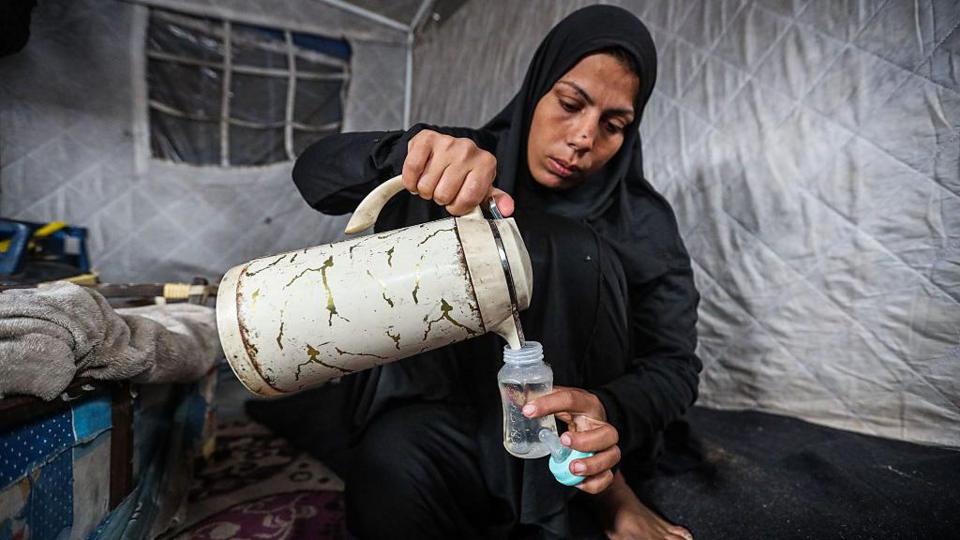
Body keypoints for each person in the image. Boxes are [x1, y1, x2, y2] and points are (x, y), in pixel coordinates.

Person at [291, 6, 700, 539]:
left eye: (613, 124)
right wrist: (406, 152)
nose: (583, 137)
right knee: (390, 467)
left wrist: (606, 406)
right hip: (458, 415)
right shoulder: (465, 164)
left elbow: (674, 366)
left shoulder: (641, 221)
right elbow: (314, 174)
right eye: (570, 104)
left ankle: (602, 497)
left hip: (570, 439)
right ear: (536, 89)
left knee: (566, 248)